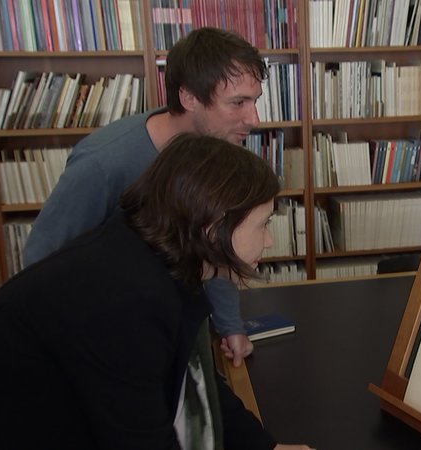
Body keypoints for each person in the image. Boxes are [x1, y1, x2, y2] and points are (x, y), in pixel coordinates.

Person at [0, 135, 312, 450]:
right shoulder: (127, 298)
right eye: (263, 224)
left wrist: (265, 447)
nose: (269, 240)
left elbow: (193, 377)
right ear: (213, 227)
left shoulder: (157, 256)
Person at [22, 27, 266, 367]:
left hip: (175, 327)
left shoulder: (216, 151)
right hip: (111, 341)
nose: (254, 119)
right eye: (238, 102)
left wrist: (230, 325)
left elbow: (215, 245)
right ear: (189, 98)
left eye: (255, 101)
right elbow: (41, 261)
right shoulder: (103, 163)